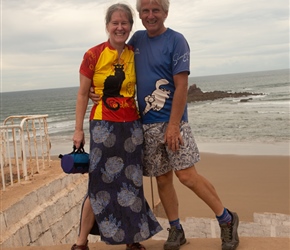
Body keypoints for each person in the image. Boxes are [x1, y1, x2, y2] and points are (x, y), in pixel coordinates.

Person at [90, 1, 240, 250]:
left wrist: (174, 125)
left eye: (156, 10)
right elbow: (113, 63)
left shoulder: (176, 41)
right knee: (162, 180)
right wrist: (96, 92)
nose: (151, 16)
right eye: (145, 11)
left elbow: (181, 86)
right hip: (145, 124)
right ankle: (176, 229)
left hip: (174, 121)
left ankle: (226, 219)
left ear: (165, 13)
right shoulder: (136, 40)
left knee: (187, 176)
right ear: (139, 14)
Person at [72, 3, 162, 250]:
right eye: (115, 23)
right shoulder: (93, 55)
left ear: (131, 27)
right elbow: (82, 94)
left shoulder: (136, 53)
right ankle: (80, 242)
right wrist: (78, 129)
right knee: (98, 182)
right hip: (103, 125)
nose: (120, 27)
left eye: (125, 23)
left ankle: (132, 240)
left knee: (131, 182)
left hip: (132, 126)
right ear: (107, 26)